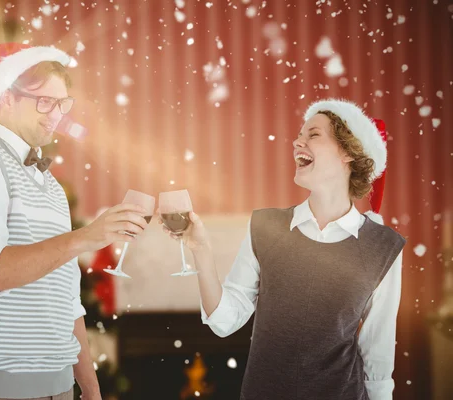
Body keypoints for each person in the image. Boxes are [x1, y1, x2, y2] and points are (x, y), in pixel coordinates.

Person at [0, 43, 148, 400]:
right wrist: (86, 237)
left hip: (61, 390)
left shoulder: (51, 186)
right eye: (44, 101)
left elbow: (66, 300)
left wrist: (91, 390)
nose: (56, 115)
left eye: (62, 103)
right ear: (6, 99)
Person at [159, 99, 406, 400]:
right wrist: (201, 250)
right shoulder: (266, 227)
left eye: (313, 134)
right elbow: (225, 321)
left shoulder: (384, 247)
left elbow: (377, 361)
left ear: (348, 152)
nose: (297, 141)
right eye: (300, 134)